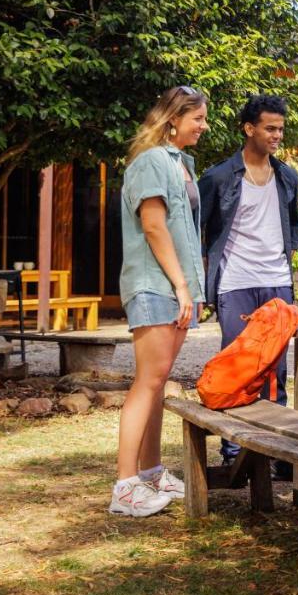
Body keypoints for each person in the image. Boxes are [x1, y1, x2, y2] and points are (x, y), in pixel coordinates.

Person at [111, 86, 209, 517]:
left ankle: (150, 473)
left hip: (176, 288)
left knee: (158, 382)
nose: (204, 126)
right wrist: (181, 286)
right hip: (155, 285)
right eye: (198, 119)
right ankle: (125, 487)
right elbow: (153, 227)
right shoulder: (151, 162)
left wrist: (192, 289)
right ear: (173, 120)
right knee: (147, 383)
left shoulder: (181, 164)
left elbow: (185, 233)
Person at [198, 94, 298, 470]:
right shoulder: (219, 177)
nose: (277, 135)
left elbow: (293, 224)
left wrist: (286, 264)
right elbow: (202, 231)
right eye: (270, 128)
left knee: (276, 367)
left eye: (280, 129)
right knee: (238, 365)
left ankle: (276, 452)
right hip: (236, 283)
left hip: (277, 280)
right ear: (249, 129)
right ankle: (234, 449)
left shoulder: (287, 176)